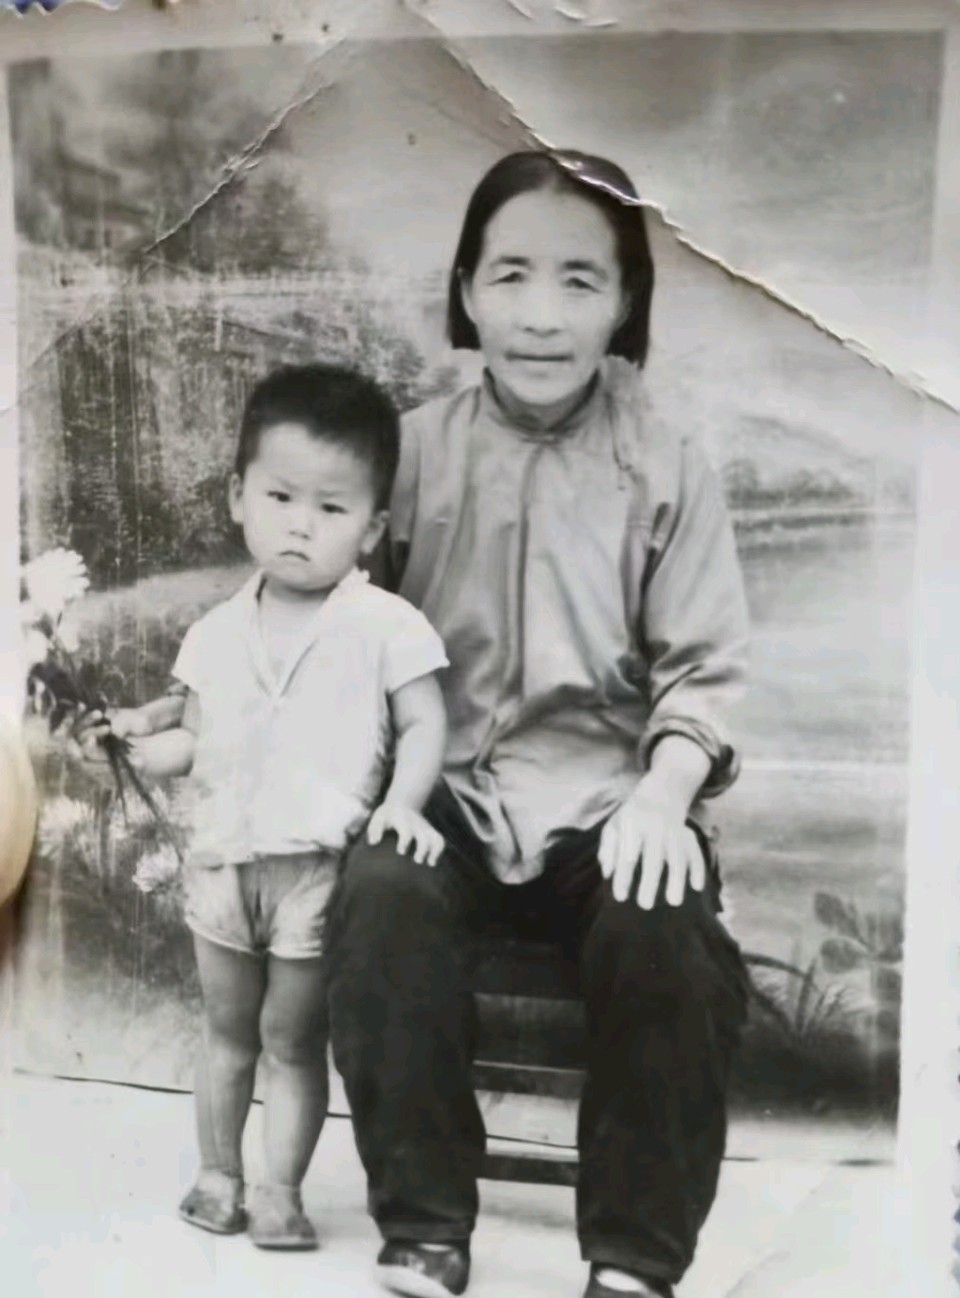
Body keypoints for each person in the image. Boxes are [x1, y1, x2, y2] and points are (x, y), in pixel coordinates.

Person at [326, 150, 752, 1298]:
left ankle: (634, 1257)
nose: (542, 315)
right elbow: (340, 627)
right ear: (467, 290)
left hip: (608, 800)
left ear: (625, 301)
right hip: (444, 787)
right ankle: (425, 1223)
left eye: (580, 279)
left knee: (667, 924)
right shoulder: (408, 453)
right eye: (510, 274)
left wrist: (665, 795)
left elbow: (705, 670)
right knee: (379, 890)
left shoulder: (666, 466)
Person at [81, 364, 449, 1252]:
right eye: (281, 497)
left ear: (373, 527)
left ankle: (280, 1192)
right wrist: (139, 749)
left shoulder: (385, 625)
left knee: (291, 1037)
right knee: (225, 1030)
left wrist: (405, 802)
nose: (300, 525)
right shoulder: (213, 633)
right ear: (238, 496)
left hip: (313, 870)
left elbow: (425, 721)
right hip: (223, 860)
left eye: (332, 507)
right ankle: (219, 1177)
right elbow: (191, 740)